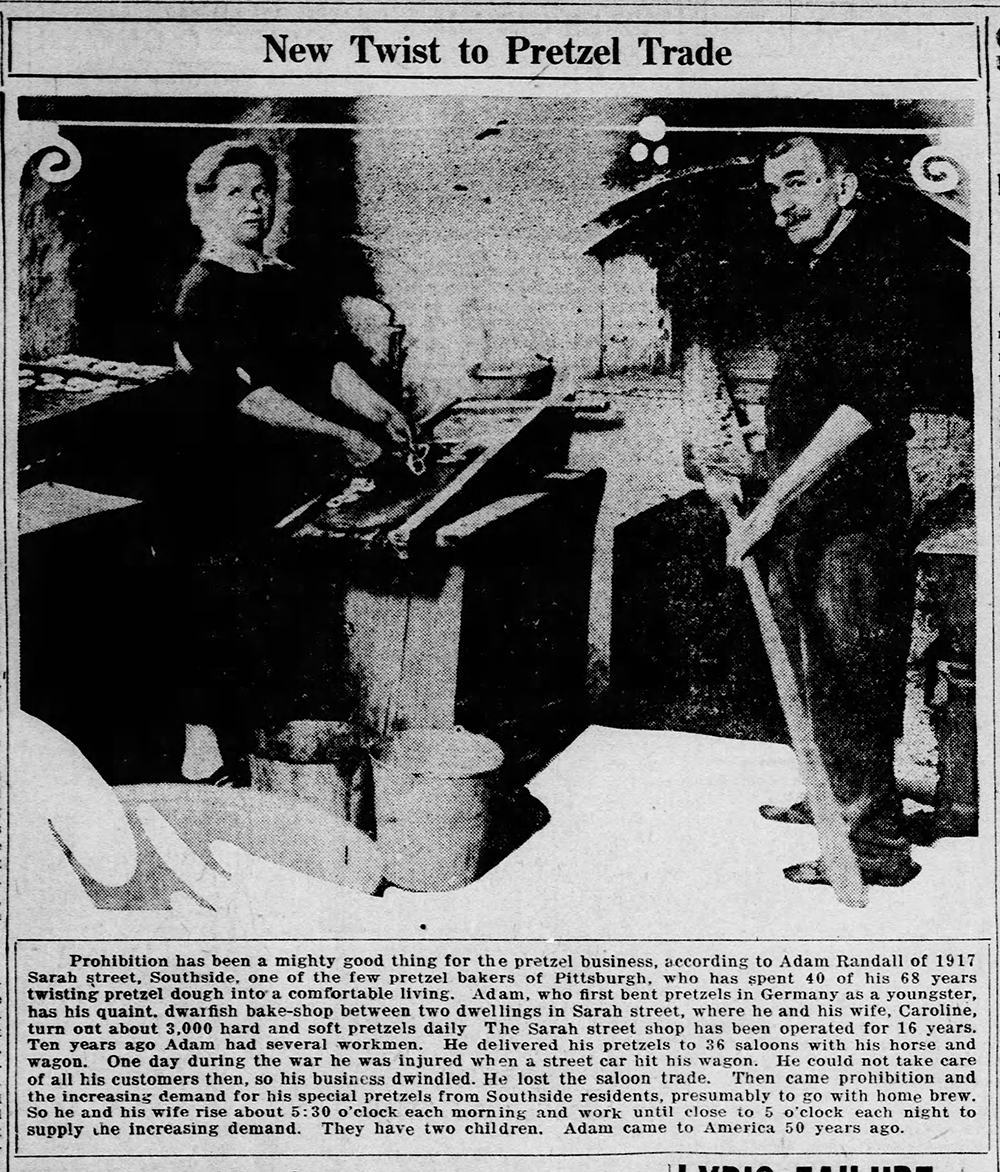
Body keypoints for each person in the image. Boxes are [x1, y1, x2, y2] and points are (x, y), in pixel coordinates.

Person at [158, 140, 413, 780]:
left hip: (290, 475)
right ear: (201, 208)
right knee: (231, 624)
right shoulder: (202, 293)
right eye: (236, 192)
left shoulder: (285, 282)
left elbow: (323, 365)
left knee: (291, 623)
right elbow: (244, 394)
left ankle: (287, 765)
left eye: (261, 190)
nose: (254, 203)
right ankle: (217, 758)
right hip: (224, 483)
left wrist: (379, 410)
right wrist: (338, 436)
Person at [719, 135, 920, 887]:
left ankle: (873, 849)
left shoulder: (874, 265)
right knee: (813, 667)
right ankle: (833, 800)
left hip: (851, 516)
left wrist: (772, 501)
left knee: (848, 673)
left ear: (845, 185)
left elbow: (864, 405)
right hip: (808, 507)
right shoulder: (824, 267)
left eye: (798, 183)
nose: (784, 204)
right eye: (773, 191)